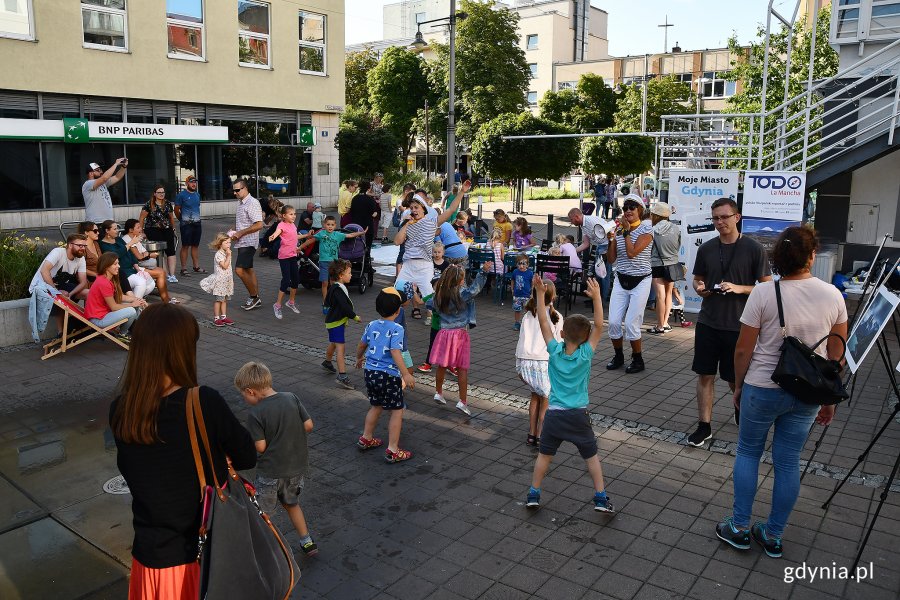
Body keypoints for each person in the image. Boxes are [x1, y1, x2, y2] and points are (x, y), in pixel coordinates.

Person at [715, 227, 846, 559]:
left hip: (762, 385)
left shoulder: (763, 292)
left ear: (777, 258)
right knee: (788, 462)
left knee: (747, 453)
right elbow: (836, 356)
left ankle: (740, 528)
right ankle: (773, 535)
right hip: (807, 392)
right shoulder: (833, 295)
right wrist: (829, 400)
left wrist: (739, 385)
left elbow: (743, 350)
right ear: (812, 256)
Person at [110, 303, 256, 598]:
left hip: (149, 557)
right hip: (199, 556)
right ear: (182, 351)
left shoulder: (121, 408)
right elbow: (246, 456)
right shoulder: (203, 401)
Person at [525, 277, 614, 513]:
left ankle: (534, 493)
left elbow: (543, 320)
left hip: (553, 416)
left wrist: (540, 293)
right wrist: (596, 298)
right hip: (578, 416)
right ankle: (601, 498)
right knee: (591, 457)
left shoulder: (554, 351)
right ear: (585, 339)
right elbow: (599, 326)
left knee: (544, 456)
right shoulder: (585, 354)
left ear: (562, 333)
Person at [688, 197, 771, 447]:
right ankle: (704, 426)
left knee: (735, 377)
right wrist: (699, 287)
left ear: (737, 217)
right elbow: (697, 279)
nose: (720, 222)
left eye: (724, 217)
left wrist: (739, 288)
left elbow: (766, 287)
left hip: (739, 324)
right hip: (708, 321)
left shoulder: (754, 249)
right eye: (715, 218)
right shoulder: (707, 248)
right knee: (704, 374)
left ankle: (739, 405)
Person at [235, 361, 318, 556]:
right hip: (295, 468)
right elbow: (309, 426)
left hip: (270, 472)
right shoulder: (291, 398)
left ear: (250, 391)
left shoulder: (256, 413)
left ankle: (264, 548)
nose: (244, 398)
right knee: (292, 504)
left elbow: (261, 447)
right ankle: (307, 541)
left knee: (263, 512)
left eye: (243, 394)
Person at [354, 288, 416, 463]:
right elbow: (395, 351)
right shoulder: (397, 328)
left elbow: (361, 344)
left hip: (370, 372)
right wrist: (406, 374)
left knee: (376, 406)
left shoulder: (371, 325)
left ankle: (366, 438)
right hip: (388, 375)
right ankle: (393, 450)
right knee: (396, 411)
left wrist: (359, 358)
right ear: (398, 311)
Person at [428, 262, 491, 416]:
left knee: (442, 365)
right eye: (462, 278)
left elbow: (430, 305)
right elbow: (475, 289)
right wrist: (483, 272)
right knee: (462, 368)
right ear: (459, 280)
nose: (463, 281)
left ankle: (438, 392)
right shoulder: (462, 294)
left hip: (443, 333)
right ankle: (462, 401)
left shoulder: (440, 295)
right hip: (460, 334)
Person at [394, 183, 467, 307]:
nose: (413, 210)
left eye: (416, 207)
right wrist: (406, 224)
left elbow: (451, 210)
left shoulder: (432, 222)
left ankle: (436, 320)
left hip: (424, 266)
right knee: (400, 301)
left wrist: (462, 192)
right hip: (408, 265)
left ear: (423, 208)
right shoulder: (408, 224)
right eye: (411, 208)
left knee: (431, 302)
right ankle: (412, 294)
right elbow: (397, 241)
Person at [605, 196, 654, 374]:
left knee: (631, 323)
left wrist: (625, 233)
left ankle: (638, 358)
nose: (628, 210)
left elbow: (632, 252)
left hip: (641, 280)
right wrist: (611, 239)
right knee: (613, 323)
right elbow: (611, 259)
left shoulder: (646, 229)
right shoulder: (619, 231)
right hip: (621, 278)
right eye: (626, 207)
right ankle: (619, 356)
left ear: (640, 209)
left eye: (632, 207)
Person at [516, 279, 564, 446]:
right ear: (553, 297)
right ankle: (540, 434)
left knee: (535, 396)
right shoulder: (557, 317)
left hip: (525, 362)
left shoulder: (528, 315)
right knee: (546, 398)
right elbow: (558, 344)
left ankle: (531, 433)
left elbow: (521, 339)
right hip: (544, 362)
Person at [100, 220, 177, 304]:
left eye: (117, 228)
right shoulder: (103, 244)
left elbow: (130, 253)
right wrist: (130, 243)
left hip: (132, 269)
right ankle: (135, 306)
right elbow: (116, 255)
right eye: (115, 229)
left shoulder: (118, 239)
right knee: (141, 282)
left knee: (150, 283)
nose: (117, 231)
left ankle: (131, 303)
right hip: (121, 272)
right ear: (107, 231)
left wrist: (136, 266)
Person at [28, 233, 91, 336]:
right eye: (80, 245)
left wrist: (72, 294)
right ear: (70, 245)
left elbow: (83, 282)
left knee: (89, 293)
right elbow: (44, 271)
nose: (83, 248)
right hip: (42, 286)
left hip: (61, 286)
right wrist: (56, 291)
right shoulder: (58, 252)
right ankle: (60, 332)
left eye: (84, 246)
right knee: (64, 294)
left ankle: (89, 324)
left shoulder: (80, 258)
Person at [298, 215, 366, 305]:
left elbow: (350, 235)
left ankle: (334, 299)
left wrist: (362, 233)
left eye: (332, 225)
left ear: (335, 225)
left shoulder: (338, 235)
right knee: (324, 283)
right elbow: (310, 240)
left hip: (334, 263)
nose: (330, 226)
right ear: (324, 225)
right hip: (323, 262)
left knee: (334, 283)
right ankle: (325, 301)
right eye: (328, 224)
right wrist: (300, 248)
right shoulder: (321, 234)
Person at [84, 252, 146, 341]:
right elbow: (114, 307)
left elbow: (120, 296)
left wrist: (138, 300)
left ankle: (130, 331)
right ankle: (122, 334)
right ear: (106, 266)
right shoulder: (104, 283)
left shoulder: (105, 278)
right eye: (115, 264)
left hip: (102, 314)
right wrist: (133, 304)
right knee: (132, 310)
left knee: (135, 306)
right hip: (98, 319)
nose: (119, 266)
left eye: (118, 263)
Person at [267, 205, 313, 319]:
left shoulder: (292, 225)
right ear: (284, 216)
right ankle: (277, 305)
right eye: (291, 214)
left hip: (292, 255)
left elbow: (294, 236)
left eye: (294, 214)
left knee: (296, 280)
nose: (294, 216)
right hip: (284, 257)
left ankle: (291, 302)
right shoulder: (281, 225)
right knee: (286, 280)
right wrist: (273, 236)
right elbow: (278, 232)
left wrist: (307, 235)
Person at [322, 259, 361, 390]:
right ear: (340, 275)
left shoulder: (334, 287)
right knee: (340, 348)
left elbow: (327, 301)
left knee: (334, 343)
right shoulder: (338, 289)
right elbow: (344, 306)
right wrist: (354, 316)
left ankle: (327, 362)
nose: (351, 275)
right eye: (349, 273)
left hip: (333, 322)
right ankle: (342, 376)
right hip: (336, 322)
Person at [647, 202, 681, 335]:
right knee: (668, 294)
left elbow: (649, 249)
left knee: (659, 296)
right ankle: (665, 323)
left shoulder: (652, 230)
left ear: (656, 215)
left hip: (657, 264)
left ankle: (660, 326)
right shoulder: (676, 228)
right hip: (673, 263)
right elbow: (678, 245)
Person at [231, 179, 264, 310]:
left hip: (249, 242)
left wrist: (241, 233)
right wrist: (233, 231)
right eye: (234, 190)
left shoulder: (252, 203)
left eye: (237, 190)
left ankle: (254, 297)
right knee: (249, 269)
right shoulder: (241, 203)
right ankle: (256, 298)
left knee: (239, 270)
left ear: (245, 188)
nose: (235, 193)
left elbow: (259, 224)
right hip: (242, 242)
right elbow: (242, 222)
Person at [569, 207, 611, 302]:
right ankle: (597, 298)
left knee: (603, 274)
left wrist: (609, 249)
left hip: (605, 246)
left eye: (571, 219)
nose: (571, 222)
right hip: (600, 246)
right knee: (597, 273)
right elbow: (586, 243)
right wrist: (572, 251)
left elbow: (608, 230)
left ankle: (602, 299)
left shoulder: (590, 222)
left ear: (576, 217)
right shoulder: (583, 225)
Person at [139, 184, 179, 283]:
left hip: (167, 229)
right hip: (153, 230)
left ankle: (172, 275)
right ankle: (164, 274)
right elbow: (142, 218)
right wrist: (141, 231)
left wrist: (173, 228)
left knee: (171, 251)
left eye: (163, 192)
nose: (161, 194)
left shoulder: (168, 204)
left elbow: (171, 217)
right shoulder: (149, 204)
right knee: (160, 251)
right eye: (159, 192)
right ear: (154, 194)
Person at [199, 233, 235, 327]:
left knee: (224, 300)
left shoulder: (226, 253)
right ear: (220, 244)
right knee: (219, 300)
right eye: (226, 243)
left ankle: (223, 316)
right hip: (220, 281)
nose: (229, 245)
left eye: (229, 242)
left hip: (227, 281)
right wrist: (229, 256)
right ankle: (216, 318)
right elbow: (225, 266)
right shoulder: (219, 254)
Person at [174, 175, 204, 277]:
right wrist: (182, 219)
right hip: (186, 225)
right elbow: (176, 210)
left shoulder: (197, 195)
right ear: (187, 183)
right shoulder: (181, 195)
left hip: (197, 223)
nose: (193, 184)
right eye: (191, 182)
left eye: (195, 182)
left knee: (195, 245)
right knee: (185, 246)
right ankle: (183, 269)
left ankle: (196, 267)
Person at [82, 158, 127, 223]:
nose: (101, 172)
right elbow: (104, 178)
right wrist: (116, 164)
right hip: (96, 222)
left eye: (101, 169)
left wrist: (123, 166)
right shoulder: (88, 184)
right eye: (98, 170)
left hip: (108, 221)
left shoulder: (103, 183)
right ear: (91, 173)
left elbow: (117, 177)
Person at [349, 180, 380, 263]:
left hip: (355, 226)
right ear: (369, 188)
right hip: (367, 226)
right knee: (367, 246)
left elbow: (351, 211)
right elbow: (374, 214)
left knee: (356, 245)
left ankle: (357, 262)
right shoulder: (370, 200)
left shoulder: (354, 198)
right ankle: (366, 263)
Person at [511, 256, 534, 330]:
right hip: (517, 295)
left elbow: (532, 283)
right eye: (519, 264)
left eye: (523, 264)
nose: (521, 266)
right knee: (517, 310)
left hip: (526, 295)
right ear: (516, 264)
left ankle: (526, 323)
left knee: (527, 310)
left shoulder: (530, 273)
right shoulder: (515, 272)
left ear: (527, 265)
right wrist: (512, 289)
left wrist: (532, 293)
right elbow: (513, 280)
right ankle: (517, 323)